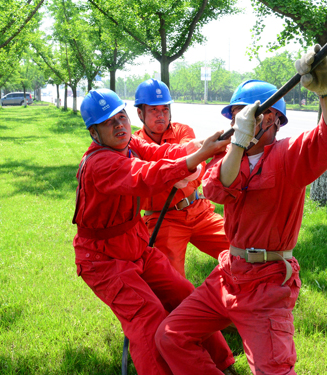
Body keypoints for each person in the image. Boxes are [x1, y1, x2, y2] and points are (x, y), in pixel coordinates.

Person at [155, 45, 327, 374]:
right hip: (228, 276)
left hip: (267, 286)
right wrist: (238, 142)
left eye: (250, 112)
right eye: (236, 112)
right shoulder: (227, 156)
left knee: (273, 371)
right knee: (171, 336)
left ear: (275, 119)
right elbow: (217, 188)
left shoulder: (289, 156)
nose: (240, 118)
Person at [72, 88, 237, 375]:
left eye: (120, 117)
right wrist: (198, 156)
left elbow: (163, 152)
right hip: (103, 261)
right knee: (147, 318)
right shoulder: (100, 163)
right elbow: (146, 176)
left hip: (136, 245)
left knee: (186, 295)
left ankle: (222, 363)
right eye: (108, 122)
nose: (119, 125)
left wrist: (203, 146)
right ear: (94, 134)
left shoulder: (130, 144)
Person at [133, 78, 230, 278]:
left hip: (198, 210)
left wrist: (183, 170)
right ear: (140, 113)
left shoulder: (183, 131)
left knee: (241, 248)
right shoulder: (134, 143)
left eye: (165, 110)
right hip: (163, 218)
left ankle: (256, 295)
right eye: (153, 110)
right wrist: (181, 169)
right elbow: (147, 177)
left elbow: (196, 161)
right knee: (170, 281)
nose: (161, 115)